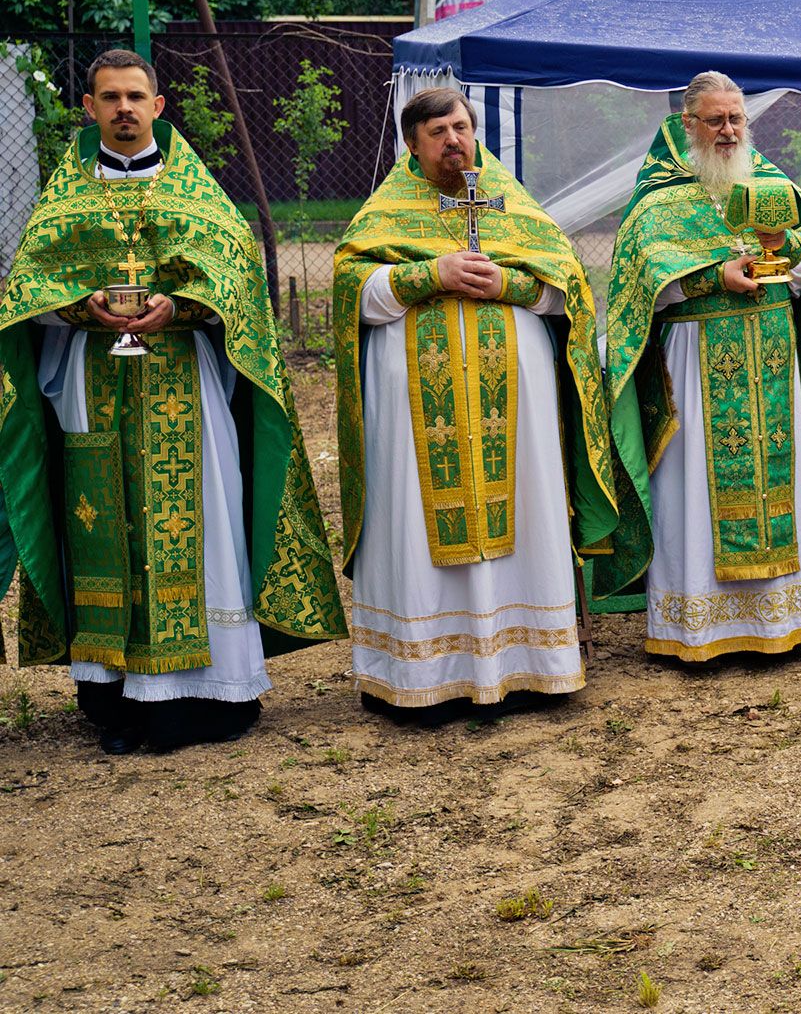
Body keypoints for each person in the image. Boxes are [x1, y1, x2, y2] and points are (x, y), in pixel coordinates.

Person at [0, 49, 345, 753]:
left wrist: (183, 304)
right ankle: (114, 701)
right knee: (100, 528)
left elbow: (239, 284)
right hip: (89, 390)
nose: (123, 108)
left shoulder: (199, 196)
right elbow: (24, 297)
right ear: (90, 109)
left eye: (135, 96)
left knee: (201, 524)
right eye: (109, 97)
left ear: (159, 107)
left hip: (186, 389)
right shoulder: (63, 203)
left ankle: (206, 701)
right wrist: (78, 304)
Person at [333, 87, 617, 718]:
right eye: (438, 132)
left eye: (461, 127)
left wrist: (512, 283)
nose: (454, 142)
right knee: (414, 514)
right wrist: (426, 276)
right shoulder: (386, 213)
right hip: (415, 410)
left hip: (515, 403)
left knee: (525, 506)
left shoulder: (508, 202)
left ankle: (529, 665)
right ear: (412, 144)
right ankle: (423, 675)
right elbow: (353, 295)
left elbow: (566, 289)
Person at [598, 72, 801, 661]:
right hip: (697, 364)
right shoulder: (660, 196)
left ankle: (783, 619)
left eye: (736, 119)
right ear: (688, 124)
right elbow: (637, 282)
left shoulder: (774, 185)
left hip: (772, 357)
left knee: (777, 476)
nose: (728, 130)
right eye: (715, 120)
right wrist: (711, 277)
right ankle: (698, 626)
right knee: (695, 489)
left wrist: (788, 256)